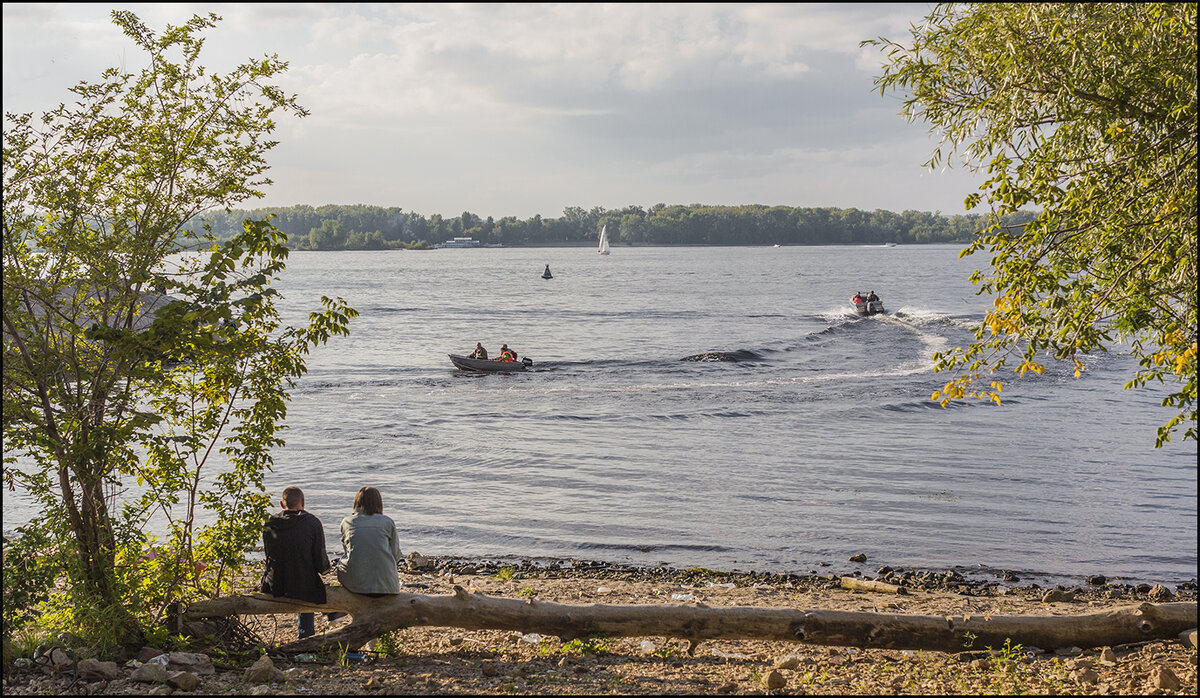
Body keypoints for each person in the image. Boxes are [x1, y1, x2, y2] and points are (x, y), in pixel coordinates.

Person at [261, 486, 332, 639]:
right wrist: (326, 570)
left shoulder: (270, 523)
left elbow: (269, 556)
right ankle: (306, 635)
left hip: (275, 583)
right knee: (307, 578)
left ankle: (315, 626)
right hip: (301, 585)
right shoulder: (312, 522)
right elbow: (320, 560)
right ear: (303, 502)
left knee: (300, 571)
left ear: (281, 504)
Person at [337, 486, 402, 597]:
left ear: (357, 502)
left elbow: (348, 551)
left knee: (341, 564)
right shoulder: (387, 522)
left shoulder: (347, 522)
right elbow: (396, 555)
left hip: (355, 585)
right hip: (387, 586)